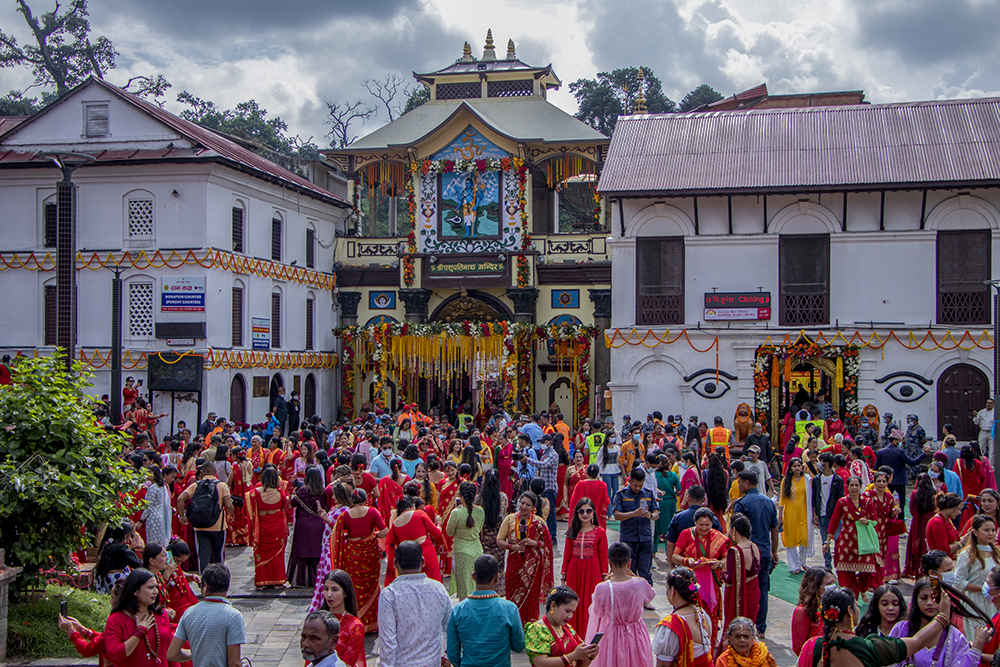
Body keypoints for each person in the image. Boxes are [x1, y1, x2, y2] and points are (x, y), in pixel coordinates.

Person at [796, 586, 953, 667]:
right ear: (850, 611)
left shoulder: (813, 646)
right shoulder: (870, 647)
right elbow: (918, 642)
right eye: (856, 606)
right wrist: (943, 617)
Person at [378, 541, 452, 667]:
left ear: (396, 563)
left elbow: (387, 641)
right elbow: (449, 627)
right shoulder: (438, 589)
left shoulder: (389, 595)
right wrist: (445, 656)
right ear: (422, 562)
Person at [888, 577, 992, 666]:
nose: (929, 603)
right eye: (923, 598)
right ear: (915, 600)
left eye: (935, 598)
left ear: (944, 601)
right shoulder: (901, 629)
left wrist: (977, 647)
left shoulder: (955, 637)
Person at [446, 554, 526, 667]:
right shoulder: (509, 609)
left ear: (474, 577)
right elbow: (519, 645)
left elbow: (452, 653)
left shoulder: (458, 611)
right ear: (496, 578)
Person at [585, 542, 654, 667]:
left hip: (612, 634)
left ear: (609, 563)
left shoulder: (602, 587)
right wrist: (634, 575)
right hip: (636, 632)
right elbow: (650, 595)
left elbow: (597, 612)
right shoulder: (640, 583)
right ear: (629, 563)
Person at [329, 484, 387, 632]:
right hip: (370, 554)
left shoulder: (345, 515)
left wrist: (351, 536)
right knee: (371, 584)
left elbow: (338, 536)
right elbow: (385, 531)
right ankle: (371, 623)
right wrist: (372, 536)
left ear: (351, 500)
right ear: (365, 499)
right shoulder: (372, 512)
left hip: (353, 554)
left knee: (355, 587)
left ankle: (355, 620)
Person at [166, 563, 245, 667]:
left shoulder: (189, 613)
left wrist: (196, 653)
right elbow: (234, 663)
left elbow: (172, 654)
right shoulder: (233, 616)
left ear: (205, 586)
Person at [496, 491, 554, 626]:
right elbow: (499, 540)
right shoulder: (510, 519)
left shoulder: (539, 522)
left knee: (531, 598)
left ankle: (530, 627)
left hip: (533, 568)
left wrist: (535, 543)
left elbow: (548, 544)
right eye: (522, 503)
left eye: (528, 505)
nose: (524, 507)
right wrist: (512, 547)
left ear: (533, 507)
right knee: (512, 597)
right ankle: (513, 627)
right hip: (513, 564)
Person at [104, 569, 173, 667]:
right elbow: (114, 656)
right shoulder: (116, 619)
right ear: (135, 591)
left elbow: (170, 654)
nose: (155, 592)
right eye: (150, 587)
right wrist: (139, 633)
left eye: (156, 587)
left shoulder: (161, 614)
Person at [561, 497, 609, 636]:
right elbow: (567, 554)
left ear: (593, 513)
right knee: (573, 603)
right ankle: (573, 636)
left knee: (590, 603)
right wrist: (563, 574)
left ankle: (589, 635)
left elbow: (603, 556)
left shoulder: (600, 532)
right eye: (581, 511)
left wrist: (604, 575)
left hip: (592, 571)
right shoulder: (572, 531)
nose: (585, 514)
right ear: (577, 513)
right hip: (574, 572)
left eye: (588, 511)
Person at [178, 461, 234, 572]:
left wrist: (181, 515)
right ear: (215, 472)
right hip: (218, 526)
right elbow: (228, 504)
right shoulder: (221, 485)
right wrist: (231, 514)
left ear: (202, 472)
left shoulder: (196, 485)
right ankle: (219, 577)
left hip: (200, 526)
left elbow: (180, 499)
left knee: (203, 555)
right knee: (217, 554)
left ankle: (204, 580)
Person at [826, 476, 877, 597]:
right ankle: (850, 597)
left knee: (869, 572)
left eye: (856, 485)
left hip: (863, 541)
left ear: (860, 487)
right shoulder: (842, 502)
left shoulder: (867, 502)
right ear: (847, 487)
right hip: (846, 541)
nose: (854, 488)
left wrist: (868, 521)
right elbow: (834, 520)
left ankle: (861, 588)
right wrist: (828, 540)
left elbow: (874, 520)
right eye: (851, 485)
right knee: (845, 572)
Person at [652, 567, 713, 667]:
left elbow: (663, 664)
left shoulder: (671, 625)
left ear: (673, 591)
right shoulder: (702, 615)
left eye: (667, 588)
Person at [525, 585, 599, 667]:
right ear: (553, 606)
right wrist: (574, 655)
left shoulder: (568, 629)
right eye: (567, 611)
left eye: (572, 612)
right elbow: (540, 663)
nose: (570, 616)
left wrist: (589, 656)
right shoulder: (537, 629)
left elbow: (579, 664)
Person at [954, 514, 1000, 640]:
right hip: (974, 604)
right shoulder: (967, 554)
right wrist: (983, 589)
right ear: (975, 531)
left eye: (993, 530)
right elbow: (958, 582)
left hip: (994, 604)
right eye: (986, 530)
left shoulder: (997, 553)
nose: (991, 533)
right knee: (976, 640)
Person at [613, 467, 659, 587]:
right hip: (629, 538)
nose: (638, 488)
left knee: (645, 571)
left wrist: (650, 515)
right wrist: (633, 514)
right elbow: (617, 515)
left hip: (645, 538)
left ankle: (646, 598)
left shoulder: (648, 493)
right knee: (629, 571)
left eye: (640, 485)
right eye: (635, 485)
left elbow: (656, 513)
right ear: (630, 481)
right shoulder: (621, 494)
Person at [384, 494, 443, 586]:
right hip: (426, 554)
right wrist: (438, 523)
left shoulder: (395, 523)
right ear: (412, 506)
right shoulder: (419, 514)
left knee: (411, 586)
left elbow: (397, 544)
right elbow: (437, 533)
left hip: (408, 559)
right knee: (431, 584)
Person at [289, 466, 329, 588]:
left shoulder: (302, 491)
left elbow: (292, 503)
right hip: (318, 525)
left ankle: (301, 581)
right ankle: (315, 579)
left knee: (302, 553)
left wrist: (293, 493)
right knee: (316, 553)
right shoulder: (323, 492)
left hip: (303, 525)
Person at [248, 466, 288, 588]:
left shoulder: (254, 493)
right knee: (277, 555)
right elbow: (284, 506)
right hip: (276, 527)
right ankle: (277, 581)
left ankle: (261, 582)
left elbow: (249, 511)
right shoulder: (280, 493)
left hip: (262, 529)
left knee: (261, 553)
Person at [723, 513, 761, 635]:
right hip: (753, 593)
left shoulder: (734, 552)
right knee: (750, 627)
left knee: (734, 628)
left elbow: (730, 579)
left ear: (734, 530)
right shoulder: (755, 547)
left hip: (736, 595)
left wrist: (722, 573)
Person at [318, 570, 366, 667]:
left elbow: (348, 663)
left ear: (345, 593)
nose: (329, 594)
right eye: (326, 589)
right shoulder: (318, 620)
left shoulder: (355, 627)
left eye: (334, 590)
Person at [447, 480, 485, 600]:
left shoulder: (456, 513)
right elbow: (479, 529)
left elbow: (449, 532)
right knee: (477, 585)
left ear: (461, 496)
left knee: (464, 587)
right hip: (477, 550)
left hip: (462, 552)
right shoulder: (480, 511)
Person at [779, 458, 813, 574]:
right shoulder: (786, 480)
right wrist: (780, 516)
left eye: (799, 465)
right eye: (794, 466)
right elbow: (782, 500)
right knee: (791, 540)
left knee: (804, 538)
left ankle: (802, 562)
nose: (797, 468)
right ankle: (794, 566)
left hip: (804, 514)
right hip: (790, 515)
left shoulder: (807, 480)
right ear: (791, 468)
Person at [477, 469, 509, 593]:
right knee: (498, 567)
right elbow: (504, 512)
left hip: (484, 536)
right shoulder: (503, 498)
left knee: (485, 565)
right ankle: (499, 592)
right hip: (499, 537)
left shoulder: (479, 499)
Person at [792, 567, 835, 655]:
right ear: (815, 587)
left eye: (833, 583)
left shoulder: (833, 607)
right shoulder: (802, 612)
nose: (833, 587)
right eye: (829, 584)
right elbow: (799, 648)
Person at [812, 453, 843, 570]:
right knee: (825, 540)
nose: (819, 463)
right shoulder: (817, 479)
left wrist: (839, 515)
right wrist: (815, 513)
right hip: (821, 515)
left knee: (838, 539)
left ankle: (840, 563)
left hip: (834, 515)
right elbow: (814, 497)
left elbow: (840, 498)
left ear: (827, 463)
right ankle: (828, 564)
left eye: (821, 461)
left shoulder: (837, 479)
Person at [94, 521, 142, 594]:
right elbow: (137, 564)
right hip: (116, 579)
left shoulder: (108, 546)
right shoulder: (121, 549)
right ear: (126, 536)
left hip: (106, 579)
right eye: (130, 535)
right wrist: (130, 549)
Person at [904, 474, 937, 578]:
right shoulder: (934, 493)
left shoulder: (915, 493)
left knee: (918, 548)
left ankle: (918, 572)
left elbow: (912, 510)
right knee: (927, 546)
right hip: (930, 523)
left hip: (918, 524)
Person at [654, 455, 682, 556]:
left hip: (658, 502)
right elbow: (679, 491)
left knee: (656, 528)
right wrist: (671, 492)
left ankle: (653, 551)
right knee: (670, 529)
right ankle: (668, 553)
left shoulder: (654, 475)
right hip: (670, 503)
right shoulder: (673, 475)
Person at [140, 466, 172, 550]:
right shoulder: (161, 486)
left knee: (152, 543)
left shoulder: (153, 487)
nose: (147, 474)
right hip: (160, 516)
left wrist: (141, 520)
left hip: (153, 518)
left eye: (150, 472)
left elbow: (149, 506)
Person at [569, 464, 610, 529]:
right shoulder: (602, 485)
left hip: (582, 517)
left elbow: (573, 501)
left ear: (587, 473)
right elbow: (606, 501)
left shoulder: (580, 484)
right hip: (598, 517)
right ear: (598, 473)